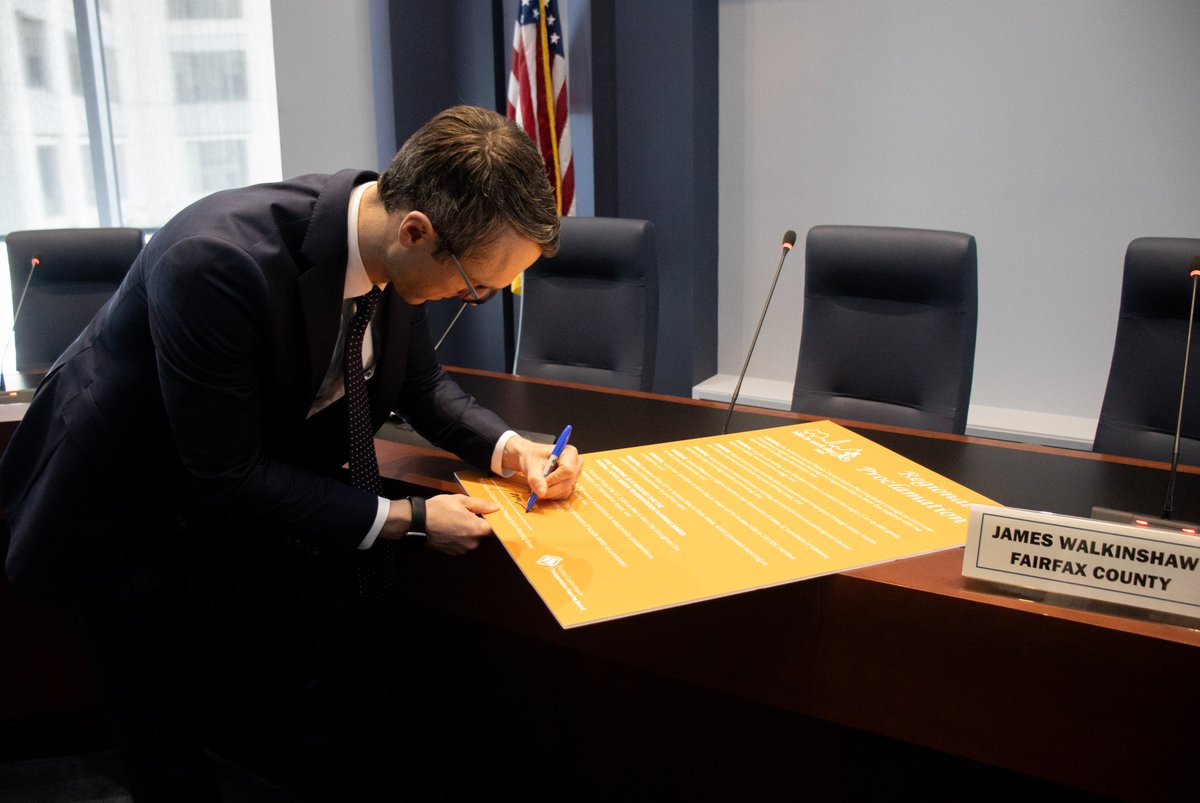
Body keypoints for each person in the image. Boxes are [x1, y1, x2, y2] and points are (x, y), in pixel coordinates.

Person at [0, 105, 583, 801]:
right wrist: (411, 519)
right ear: (416, 230)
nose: (475, 296)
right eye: (476, 284)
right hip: (125, 503)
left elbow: (421, 383)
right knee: (165, 727)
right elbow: (226, 470)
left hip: (239, 503)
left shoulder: (398, 254)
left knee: (278, 703)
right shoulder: (216, 261)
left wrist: (511, 446)